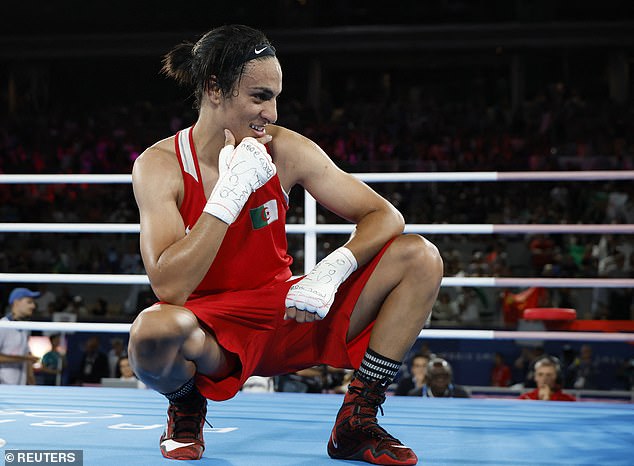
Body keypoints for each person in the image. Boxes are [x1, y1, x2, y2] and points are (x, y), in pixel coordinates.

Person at [127, 24, 443, 465]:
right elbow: (169, 288)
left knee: (420, 257)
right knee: (151, 332)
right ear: (215, 89)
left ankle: (357, 420)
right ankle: (186, 404)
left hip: (288, 312)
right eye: (259, 96)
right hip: (212, 336)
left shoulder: (284, 149)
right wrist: (227, 199)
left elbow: (385, 215)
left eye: (275, 96)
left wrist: (332, 272)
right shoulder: (159, 166)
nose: (272, 113)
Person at [0, 287, 40, 385]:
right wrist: (26, 358)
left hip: (18, 389)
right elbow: (27, 358)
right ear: (16, 302)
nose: (33, 306)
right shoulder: (3, 325)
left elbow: (28, 361)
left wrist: (33, 387)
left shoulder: (25, 327)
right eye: (29, 302)